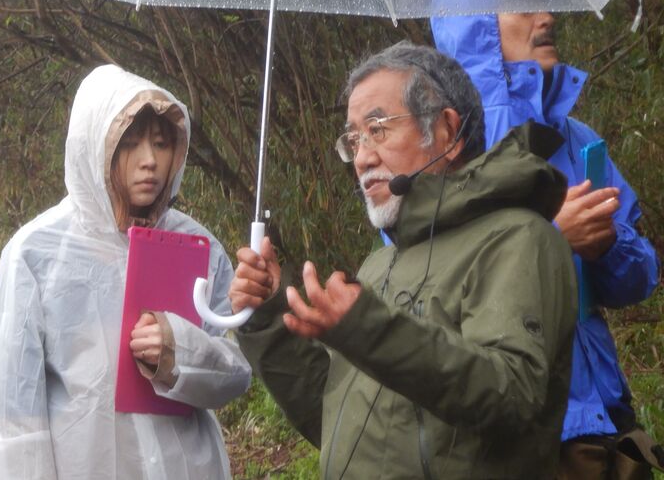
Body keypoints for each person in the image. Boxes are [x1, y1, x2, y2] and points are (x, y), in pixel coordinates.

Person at [229, 42, 578, 479]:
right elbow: (336, 418)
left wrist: (368, 328)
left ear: (448, 132)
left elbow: (513, 395)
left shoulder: (519, 240)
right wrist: (267, 316)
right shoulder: (382, 262)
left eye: (378, 129)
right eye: (353, 138)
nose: (362, 157)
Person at [0, 64, 251, 479]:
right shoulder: (37, 254)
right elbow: (13, 414)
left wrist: (179, 351)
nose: (150, 162)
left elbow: (235, 374)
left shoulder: (198, 246)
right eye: (131, 144)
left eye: (161, 144)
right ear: (95, 147)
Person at [432, 6, 662, 478]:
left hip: (606, 420)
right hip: (519, 437)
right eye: (524, 5)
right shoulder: (447, 158)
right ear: (477, 30)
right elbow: (434, 290)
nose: (548, 16)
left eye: (546, 1)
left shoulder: (577, 139)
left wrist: (606, 245)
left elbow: (640, 278)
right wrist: (554, 239)